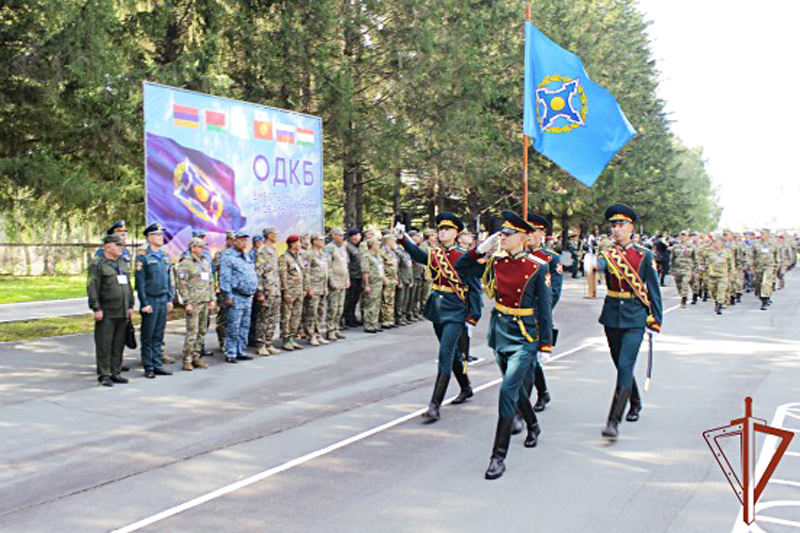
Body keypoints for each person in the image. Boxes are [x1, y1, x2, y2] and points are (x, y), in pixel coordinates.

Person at [456, 211, 552, 480]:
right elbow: (463, 267)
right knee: (516, 390)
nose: (503, 238)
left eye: (508, 234)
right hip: (500, 332)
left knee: (507, 392)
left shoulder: (537, 267)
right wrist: (482, 248)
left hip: (524, 336)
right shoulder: (495, 262)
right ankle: (533, 424)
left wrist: (545, 346)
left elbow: (544, 311)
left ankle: (498, 457)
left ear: (522, 237)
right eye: (502, 234)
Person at [395, 213, 481, 423]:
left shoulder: (464, 256)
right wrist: (403, 238)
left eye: (447, 229)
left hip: (456, 309)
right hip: (438, 308)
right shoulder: (434, 253)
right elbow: (418, 256)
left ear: (456, 233)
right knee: (451, 356)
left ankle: (434, 406)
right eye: (440, 229)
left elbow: (475, 289)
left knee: (445, 355)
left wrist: (473, 316)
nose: (442, 232)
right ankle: (466, 387)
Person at [596, 204, 662, 441]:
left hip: (635, 316)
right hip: (612, 316)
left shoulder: (645, 255)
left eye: (621, 224)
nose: (616, 229)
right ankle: (635, 400)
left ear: (631, 227)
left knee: (625, 365)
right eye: (613, 225)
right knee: (619, 364)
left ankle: (613, 421)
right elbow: (599, 267)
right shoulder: (606, 254)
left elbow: (653, 290)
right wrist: (591, 265)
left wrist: (655, 319)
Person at [521, 213, 562, 418]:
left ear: (542, 234)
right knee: (528, 360)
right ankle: (543, 392)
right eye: (526, 231)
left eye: (533, 231)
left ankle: (522, 412)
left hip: (537, 316)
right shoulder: (518, 256)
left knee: (530, 360)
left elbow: (554, 292)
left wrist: (536, 311)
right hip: (517, 317)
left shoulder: (551, 259)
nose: (529, 235)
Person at [88, 234, 134, 386]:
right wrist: (96, 308)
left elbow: (128, 286)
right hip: (107, 311)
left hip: (122, 310)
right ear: (108, 247)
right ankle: (104, 374)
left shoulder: (121, 263)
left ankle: (116, 372)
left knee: (118, 344)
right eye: (118, 245)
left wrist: (130, 306)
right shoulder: (98, 264)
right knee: (104, 344)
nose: (121, 248)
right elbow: (92, 287)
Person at [135, 223, 174, 379]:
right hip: (150, 300)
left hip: (163, 299)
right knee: (148, 335)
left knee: (159, 334)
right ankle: (148, 366)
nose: (161, 237)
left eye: (161, 234)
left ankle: (157, 364)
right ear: (149, 237)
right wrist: (144, 303)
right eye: (157, 235)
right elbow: (140, 283)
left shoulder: (164, 256)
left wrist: (170, 298)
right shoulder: (143, 257)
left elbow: (168, 280)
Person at [219, 230, 258, 363]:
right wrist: (227, 295)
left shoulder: (246, 256)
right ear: (234, 241)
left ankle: (240, 350)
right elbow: (225, 278)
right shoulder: (228, 256)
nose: (243, 242)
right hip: (236, 296)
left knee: (244, 325)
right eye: (240, 240)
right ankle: (231, 353)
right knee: (233, 326)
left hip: (247, 296)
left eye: (245, 240)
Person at [176, 237, 215, 370]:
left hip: (204, 300)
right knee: (192, 331)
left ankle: (196, 357)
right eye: (200, 246)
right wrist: (187, 302)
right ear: (193, 247)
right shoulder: (186, 263)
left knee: (202, 331)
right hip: (193, 301)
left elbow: (210, 282)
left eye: (204, 247)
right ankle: (187, 359)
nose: (203, 249)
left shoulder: (205, 262)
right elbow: (182, 284)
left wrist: (212, 299)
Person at [254, 227, 282, 356]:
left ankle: (269, 342)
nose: (276, 236)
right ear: (268, 235)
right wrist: (260, 292)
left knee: (273, 317)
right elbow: (258, 272)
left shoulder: (274, 251)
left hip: (275, 289)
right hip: (266, 290)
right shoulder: (262, 251)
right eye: (274, 234)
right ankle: (261, 345)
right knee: (263, 318)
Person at [279, 235, 306, 350]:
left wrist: (304, 288)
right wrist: (285, 291)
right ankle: (286, 339)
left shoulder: (299, 256)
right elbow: (283, 276)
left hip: (299, 290)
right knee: (287, 315)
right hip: (290, 291)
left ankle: (292, 337)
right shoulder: (284, 257)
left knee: (296, 315)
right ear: (293, 244)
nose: (300, 244)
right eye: (298, 242)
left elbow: (303, 273)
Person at [304, 233, 330, 346]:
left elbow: (325, 272)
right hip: (313, 287)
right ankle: (311, 335)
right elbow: (306, 272)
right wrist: (308, 287)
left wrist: (325, 287)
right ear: (314, 241)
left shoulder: (322, 254)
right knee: (311, 312)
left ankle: (318, 333)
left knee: (320, 312)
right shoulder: (309, 254)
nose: (323, 242)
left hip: (321, 287)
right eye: (321, 240)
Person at [325, 227, 349, 341]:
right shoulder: (329, 248)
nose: (342, 237)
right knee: (333, 307)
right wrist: (331, 281)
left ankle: (336, 328)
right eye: (339, 235)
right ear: (333, 235)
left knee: (340, 307)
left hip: (343, 281)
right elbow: (328, 266)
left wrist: (347, 279)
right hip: (335, 280)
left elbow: (345, 265)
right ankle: (330, 330)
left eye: (342, 235)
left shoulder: (343, 248)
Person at [214, 231, 235, 353]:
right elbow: (217, 270)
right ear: (227, 240)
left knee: (234, 317)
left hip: (236, 289)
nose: (233, 242)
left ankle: (232, 341)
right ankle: (222, 341)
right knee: (223, 316)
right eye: (231, 239)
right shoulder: (220, 254)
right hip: (224, 290)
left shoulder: (238, 254)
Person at [361, 237, 385, 333]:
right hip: (372, 282)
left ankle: (374, 322)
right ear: (372, 246)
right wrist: (366, 284)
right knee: (370, 303)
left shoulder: (377, 256)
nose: (378, 246)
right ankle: (368, 324)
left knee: (377, 303)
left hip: (378, 282)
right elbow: (365, 271)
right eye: (377, 244)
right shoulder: (366, 256)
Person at [753, 229, 780, 310]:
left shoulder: (773, 244)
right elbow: (752, 255)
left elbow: (777, 256)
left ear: (768, 234)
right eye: (761, 234)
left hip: (769, 266)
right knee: (759, 283)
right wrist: (751, 266)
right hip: (759, 266)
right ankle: (763, 296)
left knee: (766, 282)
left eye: (763, 234)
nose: (762, 235)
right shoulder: (756, 244)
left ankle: (764, 301)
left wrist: (777, 266)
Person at [706, 235, 732, 315]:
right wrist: (707, 244)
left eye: (717, 242)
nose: (715, 243)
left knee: (721, 290)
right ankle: (716, 301)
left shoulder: (727, 251)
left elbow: (731, 263)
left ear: (721, 243)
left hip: (722, 275)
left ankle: (719, 305)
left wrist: (731, 273)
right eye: (714, 242)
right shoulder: (710, 251)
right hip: (712, 274)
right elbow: (699, 252)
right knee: (713, 291)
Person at [343, 229, 363, 327]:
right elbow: (347, 262)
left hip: (358, 276)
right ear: (353, 236)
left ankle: (352, 316)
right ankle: (347, 318)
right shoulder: (348, 246)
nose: (360, 237)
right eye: (358, 235)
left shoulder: (356, 247)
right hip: (352, 276)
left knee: (355, 298)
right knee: (349, 299)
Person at [380, 234, 400, 329]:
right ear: (388, 241)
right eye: (393, 241)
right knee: (385, 300)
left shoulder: (392, 253)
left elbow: (394, 267)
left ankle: (390, 319)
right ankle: (385, 320)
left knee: (391, 300)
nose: (394, 243)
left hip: (392, 279)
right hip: (387, 279)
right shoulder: (382, 252)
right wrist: (384, 279)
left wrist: (396, 278)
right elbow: (381, 267)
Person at [670, 231, 694, 308]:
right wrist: (672, 269)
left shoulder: (691, 246)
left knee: (685, 283)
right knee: (679, 285)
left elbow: (695, 258)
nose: (683, 237)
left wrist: (695, 270)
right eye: (682, 236)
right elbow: (672, 258)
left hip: (687, 268)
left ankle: (683, 299)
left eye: (684, 236)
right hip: (677, 268)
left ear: (687, 237)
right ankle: (682, 294)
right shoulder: (675, 247)